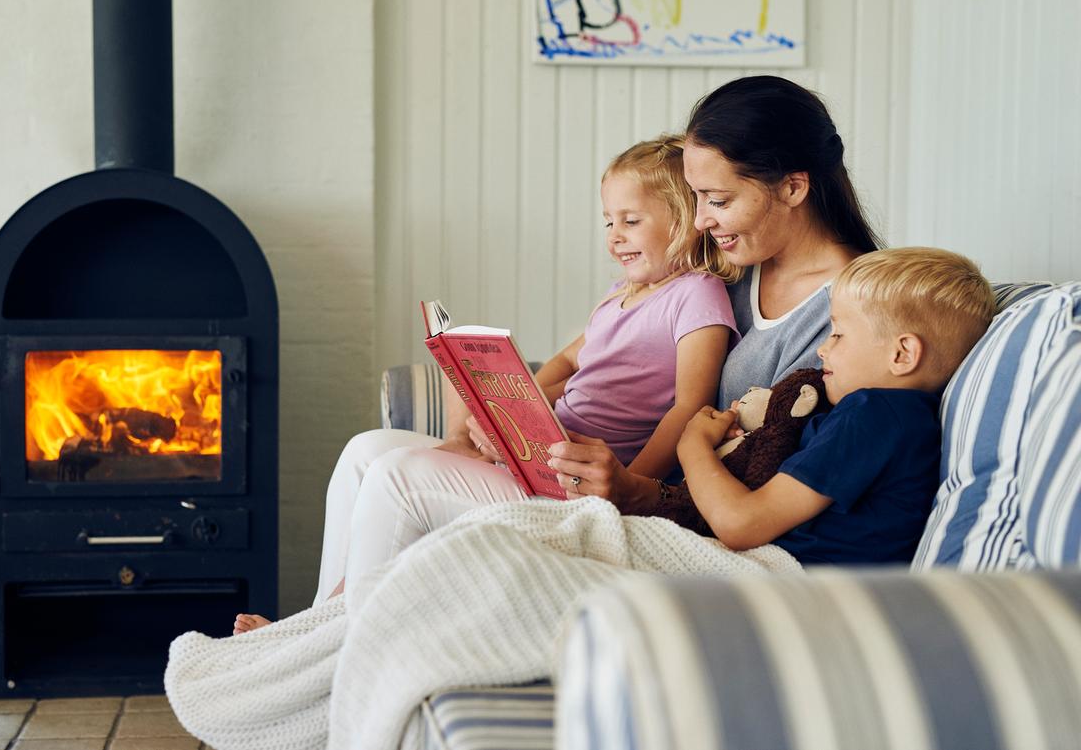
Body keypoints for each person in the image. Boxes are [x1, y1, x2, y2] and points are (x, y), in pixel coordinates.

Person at [234, 135, 739, 633]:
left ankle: (338, 637)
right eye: (609, 221)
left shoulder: (696, 295)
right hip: (538, 458)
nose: (615, 235)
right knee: (366, 449)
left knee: (397, 474)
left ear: (683, 220)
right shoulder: (622, 295)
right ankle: (319, 621)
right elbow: (568, 359)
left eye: (631, 221)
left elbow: (688, 409)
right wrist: (519, 406)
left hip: (573, 491)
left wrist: (627, 491)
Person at [545, 74, 884, 512]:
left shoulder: (851, 310)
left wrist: (635, 488)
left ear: (793, 187)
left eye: (718, 200)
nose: (700, 220)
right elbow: (595, 354)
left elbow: (774, 478)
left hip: (690, 516)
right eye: (694, 198)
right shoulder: (725, 267)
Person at [677, 247, 996, 564]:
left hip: (789, 571)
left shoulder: (874, 413)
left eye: (838, 334)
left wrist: (693, 446)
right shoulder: (904, 420)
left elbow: (741, 525)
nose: (822, 351)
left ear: (901, 355)